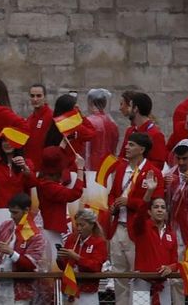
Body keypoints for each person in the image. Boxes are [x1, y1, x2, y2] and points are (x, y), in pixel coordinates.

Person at [103, 131, 164, 305]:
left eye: (131, 145)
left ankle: (140, 304)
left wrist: (129, 202)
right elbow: (113, 193)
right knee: (119, 275)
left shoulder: (153, 172)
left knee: (139, 276)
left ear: (142, 149)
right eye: (127, 144)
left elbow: (156, 203)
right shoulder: (121, 168)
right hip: (118, 227)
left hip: (138, 230)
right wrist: (112, 205)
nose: (127, 147)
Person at [59, 206, 107, 305]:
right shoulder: (71, 239)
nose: (79, 228)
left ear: (92, 225)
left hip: (87, 292)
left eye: (82, 225)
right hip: (70, 289)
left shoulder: (99, 242)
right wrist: (60, 259)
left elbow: (96, 266)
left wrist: (76, 257)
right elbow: (64, 267)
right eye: (77, 225)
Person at [84, 89, 121, 168]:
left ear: (91, 103)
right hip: (108, 166)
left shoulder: (88, 121)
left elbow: (86, 149)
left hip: (92, 166)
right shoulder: (112, 122)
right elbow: (114, 147)